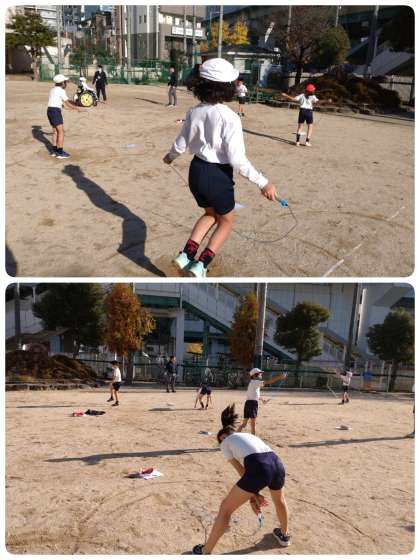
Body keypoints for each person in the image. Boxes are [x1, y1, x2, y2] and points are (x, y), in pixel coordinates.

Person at [163, 58, 280, 278]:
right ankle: (201, 265)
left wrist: (170, 157)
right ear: (227, 87)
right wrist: (263, 183)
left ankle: (185, 256)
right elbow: (237, 160)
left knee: (210, 214)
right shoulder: (230, 117)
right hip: (218, 175)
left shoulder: (193, 112)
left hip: (196, 171)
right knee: (227, 220)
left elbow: (180, 144)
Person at [192, 404, 290, 554]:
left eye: (220, 440)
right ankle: (284, 535)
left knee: (225, 509)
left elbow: (242, 471)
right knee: (280, 501)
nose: (220, 443)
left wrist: (253, 495)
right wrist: (253, 494)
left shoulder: (225, 443)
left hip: (258, 467)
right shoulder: (250, 436)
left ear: (223, 436)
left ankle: (205, 551)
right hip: (277, 463)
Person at [238, 368, 287, 435]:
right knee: (253, 425)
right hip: (252, 404)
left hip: (248, 403)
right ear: (254, 375)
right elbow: (269, 382)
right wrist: (279, 377)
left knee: (244, 424)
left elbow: (256, 395)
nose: (261, 374)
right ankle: (253, 439)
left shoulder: (252, 383)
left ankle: (234, 436)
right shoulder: (256, 382)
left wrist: (263, 400)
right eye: (259, 373)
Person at [47, 74, 85, 159]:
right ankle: (60, 153)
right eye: (65, 82)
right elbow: (67, 102)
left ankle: (54, 151)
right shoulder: (61, 90)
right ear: (62, 83)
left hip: (50, 110)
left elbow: (55, 101)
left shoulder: (52, 90)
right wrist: (77, 109)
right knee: (61, 132)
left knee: (55, 131)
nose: (66, 83)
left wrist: (64, 107)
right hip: (55, 112)